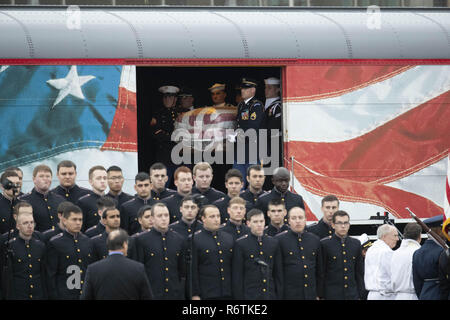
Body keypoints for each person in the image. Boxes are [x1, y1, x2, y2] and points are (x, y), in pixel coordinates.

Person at [80, 229, 153, 300]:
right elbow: (146, 297)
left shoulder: (93, 269)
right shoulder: (138, 268)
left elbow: (86, 297)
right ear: (124, 244)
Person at [135, 202, 186, 300]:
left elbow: (181, 270)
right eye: (159, 216)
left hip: (174, 294)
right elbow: (139, 270)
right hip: (151, 293)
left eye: (166, 215)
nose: (164, 218)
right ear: (152, 218)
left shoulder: (179, 239)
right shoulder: (141, 240)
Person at [232, 208, 283, 300]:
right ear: (248, 223)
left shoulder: (273, 243)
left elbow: (278, 273)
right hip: (250, 295)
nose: (259, 225)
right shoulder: (241, 244)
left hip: (269, 294)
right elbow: (238, 276)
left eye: (261, 221)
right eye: (255, 222)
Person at [0, 202, 47, 300]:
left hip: (38, 294)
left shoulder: (40, 245)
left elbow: (43, 273)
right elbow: (7, 276)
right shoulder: (9, 245)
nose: (29, 226)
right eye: (25, 223)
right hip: (18, 294)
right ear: (17, 225)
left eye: (31, 222)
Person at [46, 204, 94, 300]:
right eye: (74, 219)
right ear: (64, 221)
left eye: (80, 220)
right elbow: (50, 275)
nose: (78, 223)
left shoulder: (87, 241)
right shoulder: (55, 243)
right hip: (65, 294)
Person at [275, 206, 323, 300]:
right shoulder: (279, 240)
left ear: (305, 219)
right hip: (289, 294)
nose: (297, 221)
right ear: (288, 221)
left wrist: (319, 294)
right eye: (294, 218)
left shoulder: (315, 240)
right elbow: (277, 272)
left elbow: (319, 270)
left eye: (300, 218)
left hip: (310, 293)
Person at [190, 205, 234, 300]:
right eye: (212, 216)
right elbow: (193, 270)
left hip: (228, 292)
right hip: (207, 293)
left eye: (218, 216)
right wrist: (195, 293)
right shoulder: (195, 239)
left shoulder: (228, 238)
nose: (216, 219)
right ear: (203, 219)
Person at [320, 210, 364, 300]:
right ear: (333, 225)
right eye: (339, 223)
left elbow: (359, 272)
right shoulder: (325, 244)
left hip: (352, 294)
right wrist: (321, 295)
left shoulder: (355, 243)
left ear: (349, 225)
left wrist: (360, 294)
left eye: (346, 223)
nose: (343, 226)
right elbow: (322, 273)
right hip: (332, 295)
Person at [232, 78, 266, 182]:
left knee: (253, 182)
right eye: (242, 89)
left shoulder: (256, 105)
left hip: (252, 149)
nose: (242, 91)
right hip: (240, 149)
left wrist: (237, 135)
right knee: (237, 180)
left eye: (246, 89)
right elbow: (239, 124)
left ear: (253, 90)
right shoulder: (242, 105)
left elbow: (253, 127)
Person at [19, 164, 65, 232]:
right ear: (34, 179)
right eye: (41, 176)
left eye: (48, 176)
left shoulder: (60, 200)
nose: (45, 179)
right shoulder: (23, 201)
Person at [151, 85, 180, 187]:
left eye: (170, 97)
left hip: (180, 156)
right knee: (161, 187)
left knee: (183, 188)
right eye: (165, 97)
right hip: (164, 156)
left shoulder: (181, 113)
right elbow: (155, 133)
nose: (167, 99)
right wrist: (173, 137)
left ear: (175, 99)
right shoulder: (158, 114)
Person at [413, 215, 446, 300]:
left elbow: (417, 282)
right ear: (439, 231)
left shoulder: (417, 252)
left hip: (424, 294)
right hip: (440, 294)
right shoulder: (442, 251)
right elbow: (445, 281)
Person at [364, 224, 399, 300]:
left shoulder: (371, 249)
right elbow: (393, 275)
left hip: (372, 294)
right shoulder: (386, 252)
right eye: (395, 236)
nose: (397, 239)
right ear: (384, 236)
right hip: (385, 295)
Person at [391, 222, 422, 300]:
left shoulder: (396, 252)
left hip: (397, 296)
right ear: (420, 236)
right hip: (414, 295)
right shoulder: (418, 252)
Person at [75, 165, 108, 232]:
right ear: (90, 181)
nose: (102, 181)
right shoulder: (83, 202)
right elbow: (80, 227)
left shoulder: (113, 200)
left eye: (105, 178)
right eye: (98, 178)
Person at [0, 170, 21, 234]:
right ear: (2, 186)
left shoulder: (25, 205)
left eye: (17, 183)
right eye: (10, 183)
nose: (15, 186)